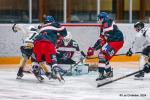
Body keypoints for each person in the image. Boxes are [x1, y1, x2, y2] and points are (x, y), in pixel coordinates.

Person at [87, 12, 124, 81]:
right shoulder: (104, 25)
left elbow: (103, 40)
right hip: (113, 42)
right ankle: (109, 73)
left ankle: (101, 74)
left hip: (116, 42)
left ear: (103, 18)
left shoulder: (107, 23)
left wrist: (94, 48)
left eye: (99, 18)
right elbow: (102, 39)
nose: (98, 20)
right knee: (103, 57)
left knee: (102, 55)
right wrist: (93, 48)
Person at [33, 15, 67, 81]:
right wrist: (59, 36)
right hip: (48, 44)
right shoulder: (55, 24)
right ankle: (56, 71)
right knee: (53, 60)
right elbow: (64, 32)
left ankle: (36, 69)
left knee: (39, 59)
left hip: (37, 44)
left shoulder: (41, 26)